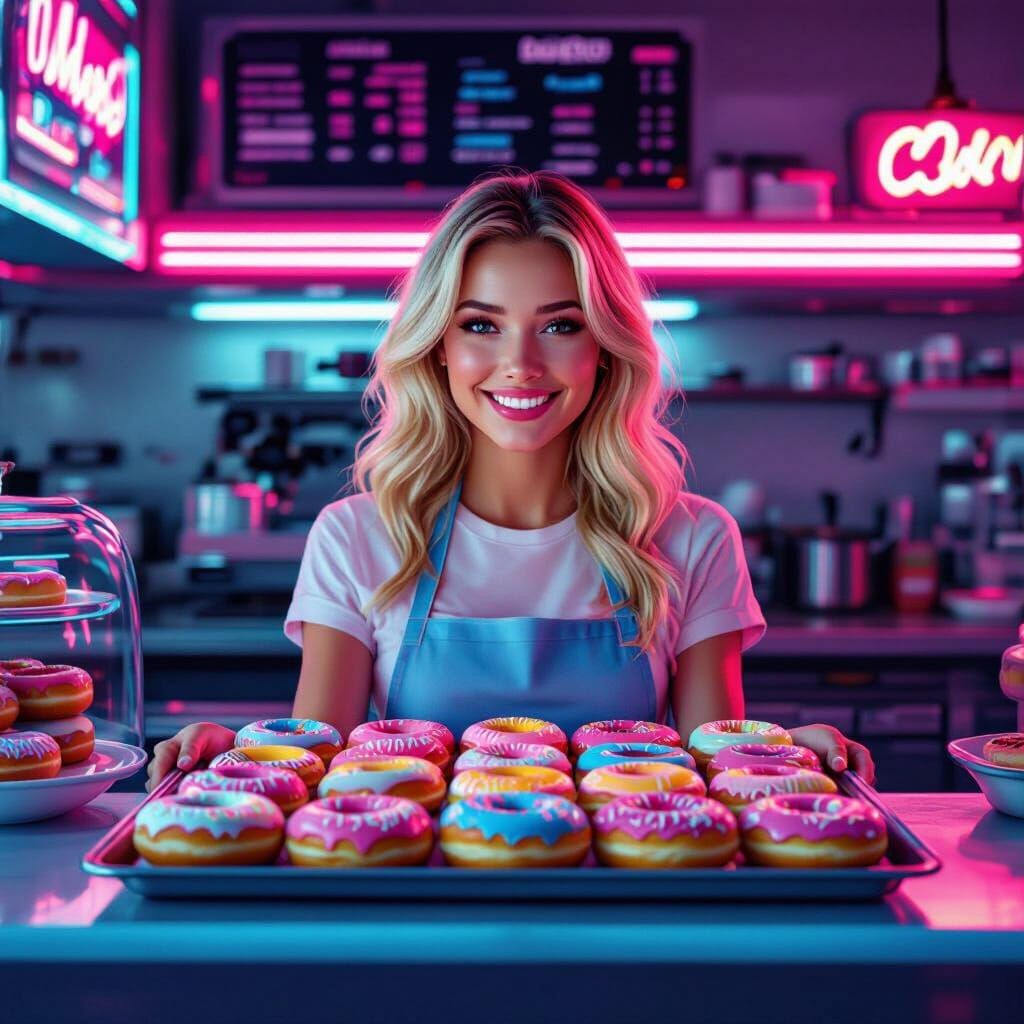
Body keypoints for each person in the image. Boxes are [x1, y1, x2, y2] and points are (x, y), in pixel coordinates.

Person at [148, 169, 874, 789]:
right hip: (414, 886)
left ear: (605, 347)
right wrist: (236, 754)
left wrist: (780, 755)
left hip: (623, 894)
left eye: (560, 325)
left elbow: (712, 775)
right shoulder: (358, 537)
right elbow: (321, 771)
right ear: (437, 345)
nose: (521, 364)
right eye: (480, 324)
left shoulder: (692, 537)